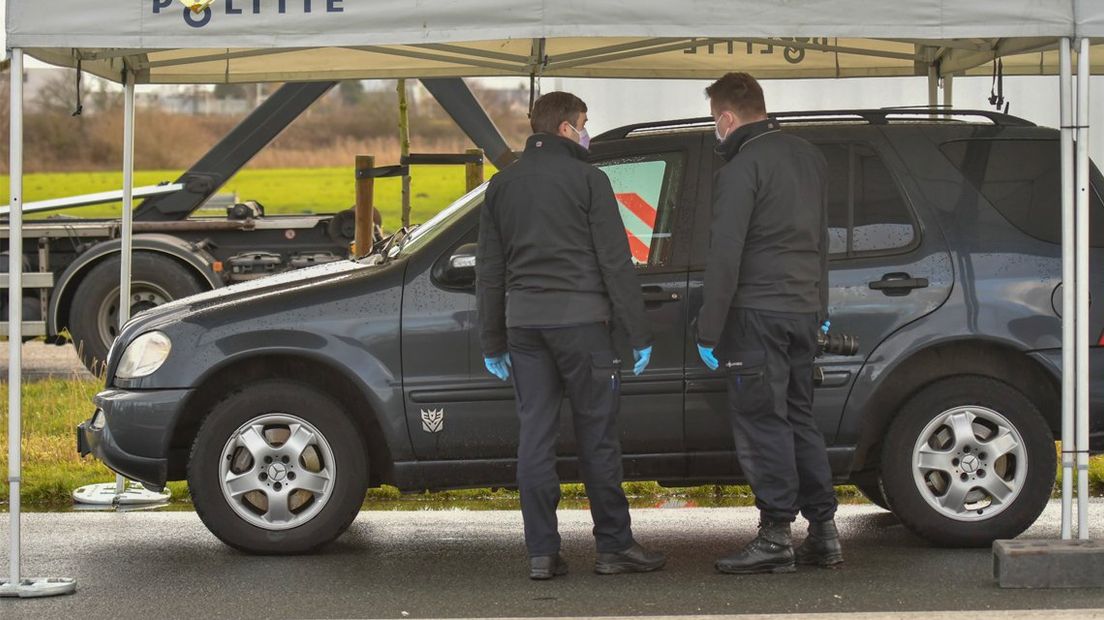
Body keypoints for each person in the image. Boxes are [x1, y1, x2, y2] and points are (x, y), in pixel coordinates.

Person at [476, 91, 666, 580]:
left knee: (535, 438)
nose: (586, 130)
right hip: (582, 327)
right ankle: (613, 548)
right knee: (597, 438)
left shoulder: (502, 185)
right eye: (583, 122)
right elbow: (614, 262)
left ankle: (542, 552)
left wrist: (492, 340)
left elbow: (490, 271)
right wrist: (638, 332)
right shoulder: (589, 179)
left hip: (525, 329)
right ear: (564, 128)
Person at [696, 72, 842, 574]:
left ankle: (775, 535)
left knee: (763, 423)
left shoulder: (741, 167)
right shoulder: (808, 157)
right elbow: (822, 242)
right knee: (800, 418)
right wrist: (820, 310)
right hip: (803, 309)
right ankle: (824, 532)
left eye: (714, 120)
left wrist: (708, 327)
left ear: (727, 117)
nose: (715, 130)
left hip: (757, 312)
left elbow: (726, 253)